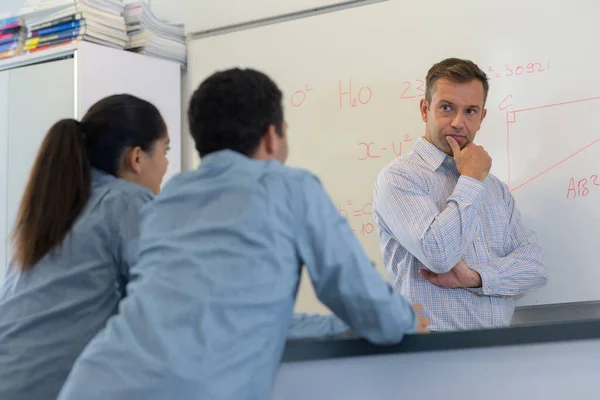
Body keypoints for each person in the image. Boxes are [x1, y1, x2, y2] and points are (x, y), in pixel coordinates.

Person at [58, 68, 429, 400]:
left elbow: (217, 314)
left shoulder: (169, 198)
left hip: (93, 381)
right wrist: (408, 319)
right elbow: (360, 298)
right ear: (272, 136)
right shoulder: (290, 187)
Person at [0, 94, 171, 400]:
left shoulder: (54, 207)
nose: (167, 165)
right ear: (136, 158)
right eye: (165, 150)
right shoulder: (129, 201)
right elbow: (171, 303)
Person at [372, 58, 548, 331]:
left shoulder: (494, 188)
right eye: (446, 108)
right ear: (424, 109)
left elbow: (535, 267)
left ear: (481, 118)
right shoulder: (399, 178)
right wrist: (470, 179)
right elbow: (439, 254)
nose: (458, 122)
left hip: (500, 353)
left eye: (470, 111)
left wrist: (477, 278)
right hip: (432, 358)